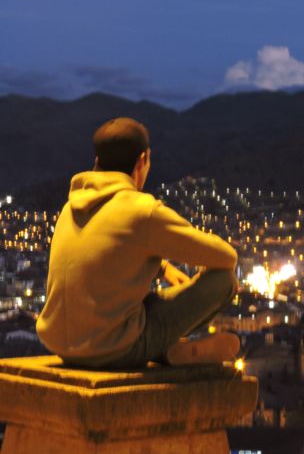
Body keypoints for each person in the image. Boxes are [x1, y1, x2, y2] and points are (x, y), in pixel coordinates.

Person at [36, 117, 240, 368]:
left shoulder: (69, 209)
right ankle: (164, 349)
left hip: (61, 346)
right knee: (224, 281)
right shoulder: (142, 211)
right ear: (142, 160)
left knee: (140, 306)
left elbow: (108, 253)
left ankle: (169, 351)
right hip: (116, 350)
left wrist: (163, 267)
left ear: (97, 161)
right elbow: (226, 257)